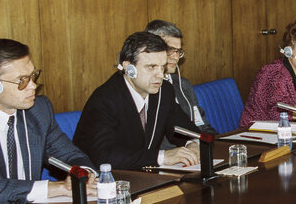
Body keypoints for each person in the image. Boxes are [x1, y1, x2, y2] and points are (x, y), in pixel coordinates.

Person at [0, 39, 96, 204]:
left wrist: (84, 174)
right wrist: (53, 188)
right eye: (22, 80)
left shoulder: (38, 110)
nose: (33, 86)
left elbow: (70, 154)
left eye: (33, 76)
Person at [74, 32, 201, 170]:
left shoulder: (164, 91)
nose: (160, 75)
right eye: (151, 67)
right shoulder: (104, 100)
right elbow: (104, 157)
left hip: (144, 178)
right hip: (104, 183)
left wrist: (192, 144)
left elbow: (184, 129)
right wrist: (162, 157)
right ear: (129, 69)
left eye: (162, 67)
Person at [145, 20, 218, 147]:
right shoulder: (146, 88)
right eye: (170, 50)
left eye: (178, 51)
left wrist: (220, 143)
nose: (175, 57)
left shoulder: (183, 85)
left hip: (193, 151)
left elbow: (201, 125)